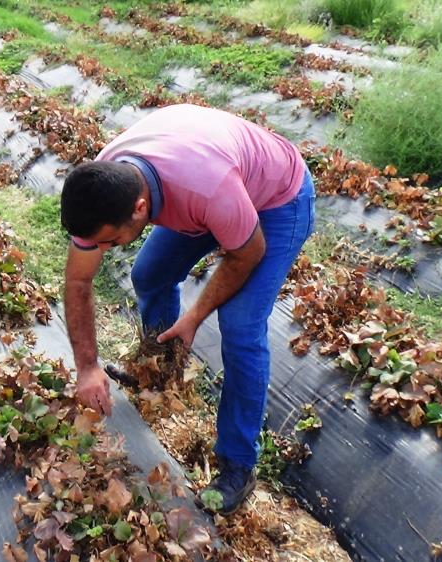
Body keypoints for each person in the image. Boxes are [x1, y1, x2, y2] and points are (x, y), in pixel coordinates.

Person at [59, 104, 315, 515]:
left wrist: (193, 317)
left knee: (240, 325)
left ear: (140, 208)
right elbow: (78, 281)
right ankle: (162, 366)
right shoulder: (101, 187)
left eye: (110, 241)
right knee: (149, 273)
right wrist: (87, 366)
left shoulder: (206, 188)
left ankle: (238, 464)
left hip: (276, 198)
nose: (103, 251)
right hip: (211, 180)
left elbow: (246, 254)